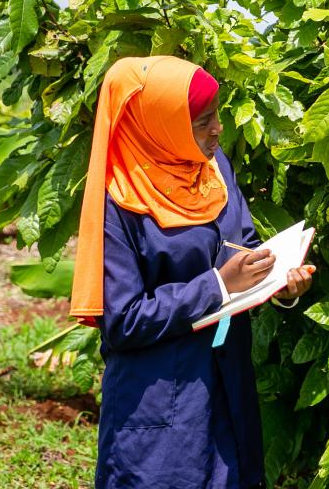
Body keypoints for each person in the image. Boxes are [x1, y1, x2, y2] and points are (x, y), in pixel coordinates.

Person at [68, 55, 314, 488]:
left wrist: (279, 281)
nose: (217, 129)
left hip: (225, 381)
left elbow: (244, 246)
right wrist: (218, 284)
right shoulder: (120, 200)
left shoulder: (213, 170)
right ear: (161, 127)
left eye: (216, 115)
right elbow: (123, 321)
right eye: (202, 122)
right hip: (160, 399)